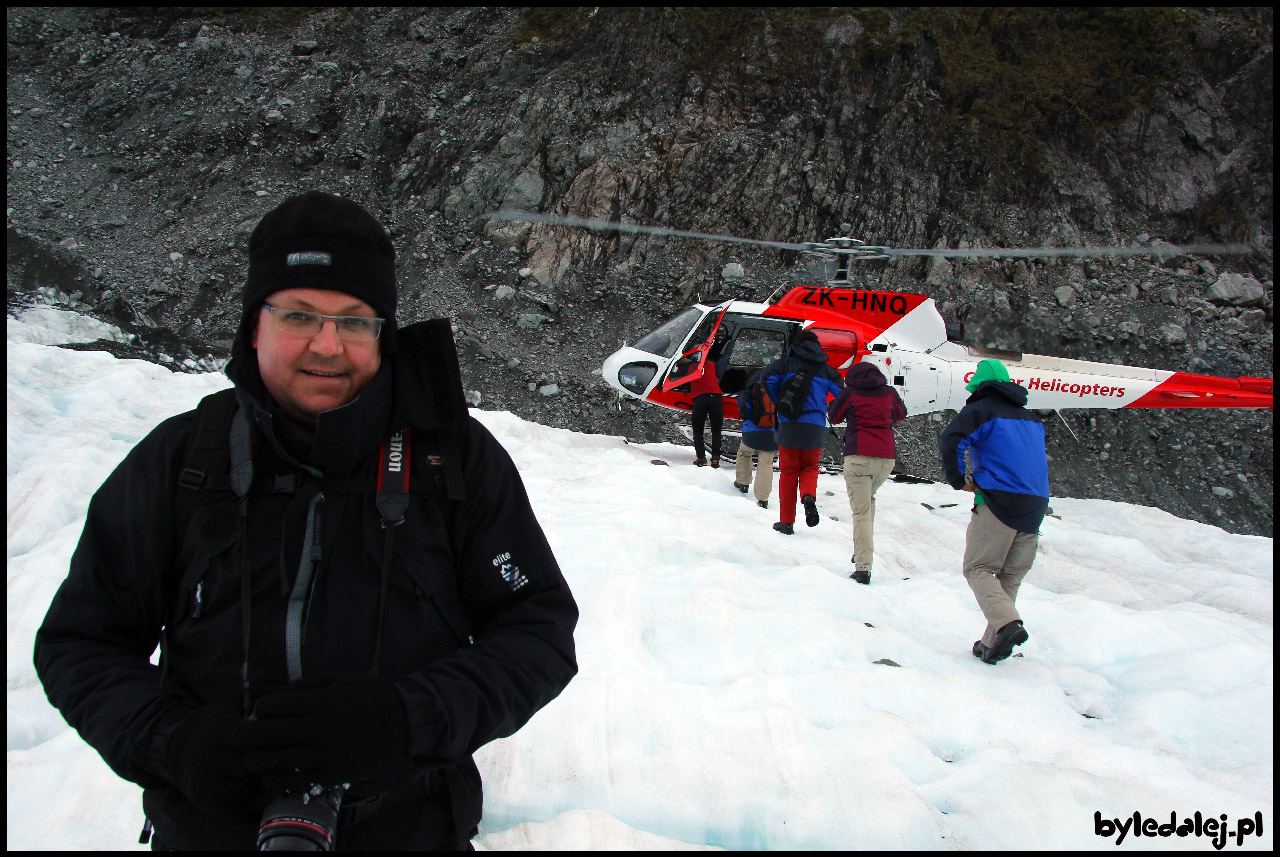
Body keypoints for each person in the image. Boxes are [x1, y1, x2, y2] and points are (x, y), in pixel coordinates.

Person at [33, 191, 579, 850]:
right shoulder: (183, 461)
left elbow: (537, 629)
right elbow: (80, 642)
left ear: (384, 333)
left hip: (412, 829)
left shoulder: (453, 461)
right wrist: (172, 740)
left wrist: (409, 718)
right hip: (209, 831)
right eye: (299, 315)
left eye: (354, 320)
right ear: (253, 325)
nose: (328, 345)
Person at [938, 358, 1048, 665]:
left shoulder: (979, 411)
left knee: (978, 568)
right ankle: (992, 643)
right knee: (1009, 576)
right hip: (1036, 503)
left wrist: (959, 480)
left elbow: (951, 441)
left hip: (1000, 500)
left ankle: (1008, 625)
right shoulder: (1031, 418)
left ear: (978, 386)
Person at [827, 361, 907, 584]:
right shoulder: (889, 393)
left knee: (861, 511)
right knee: (868, 502)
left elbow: (833, 417)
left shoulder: (850, 393)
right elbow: (901, 414)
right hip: (885, 459)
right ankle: (861, 548)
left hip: (858, 456)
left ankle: (863, 566)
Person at [762, 329, 842, 534]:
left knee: (789, 472)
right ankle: (808, 496)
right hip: (814, 426)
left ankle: (786, 522)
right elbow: (841, 394)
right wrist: (826, 405)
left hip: (788, 424)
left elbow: (766, 378)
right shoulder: (827, 370)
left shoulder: (784, 365)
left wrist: (779, 402)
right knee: (810, 466)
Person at [733, 369, 778, 508]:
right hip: (773, 433)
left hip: (752, 431)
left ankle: (743, 482)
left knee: (744, 453)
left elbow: (742, 404)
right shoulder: (779, 389)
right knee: (766, 463)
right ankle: (763, 498)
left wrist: (750, 417)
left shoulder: (750, 388)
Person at [689, 336, 725, 467]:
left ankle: (701, 458)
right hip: (715, 397)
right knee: (716, 430)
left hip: (700, 399)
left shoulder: (690, 367)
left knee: (698, 431)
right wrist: (724, 339)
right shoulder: (711, 363)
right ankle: (715, 458)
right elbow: (717, 350)